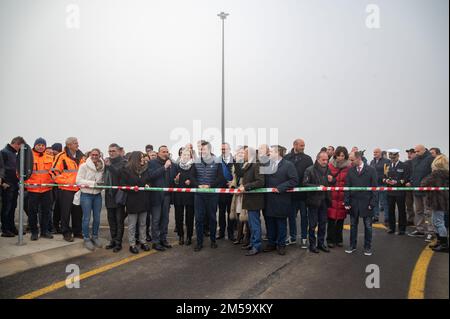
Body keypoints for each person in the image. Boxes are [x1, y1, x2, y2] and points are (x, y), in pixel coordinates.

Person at [263, 145, 298, 256]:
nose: (270, 153)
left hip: (281, 199)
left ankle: (281, 245)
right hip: (269, 200)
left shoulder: (288, 165)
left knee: (281, 223)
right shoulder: (267, 164)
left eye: (272, 151)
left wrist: (281, 188)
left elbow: (294, 180)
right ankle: (271, 243)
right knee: (270, 222)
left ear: (278, 153)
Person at [50, 137, 85, 242]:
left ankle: (77, 231)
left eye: (77, 143)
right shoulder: (61, 156)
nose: (77, 145)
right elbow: (54, 172)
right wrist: (67, 182)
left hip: (78, 189)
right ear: (69, 145)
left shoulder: (81, 156)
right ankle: (66, 233)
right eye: (75, 143)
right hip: (66, 189)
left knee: (78, 212)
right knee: (65, 212)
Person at [192, 141, 225, 252]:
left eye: (204, 149)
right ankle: (199, 242)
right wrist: (198, 185)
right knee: (199, 219)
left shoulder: (217, 161)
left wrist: (210, 185)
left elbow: (220, 177)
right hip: (199, 195)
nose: (202, 151)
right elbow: (191, 176)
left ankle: (213, 241)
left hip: (212, 195)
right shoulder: (195, 161)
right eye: (200, 149)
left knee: (212, 218)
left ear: (209, 150)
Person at [344, 151, 378, 256]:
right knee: (353, 225)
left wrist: (372, 203)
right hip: (354, 203)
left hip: (367, 203)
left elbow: (374, 188)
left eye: (352, 160)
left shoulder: (371, 170)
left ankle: (367, 247)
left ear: (359, 158)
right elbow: (347, 187)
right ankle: (352, 246)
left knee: (368, 226)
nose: (351, 162)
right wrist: (347, 202)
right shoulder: (350, 171)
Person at [234, 146, 265, 256]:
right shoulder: (248, 165)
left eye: (246, 153)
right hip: (249, 199)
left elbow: (260, 182)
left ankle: (256, 246)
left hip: (254, 200)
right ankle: (252, 243)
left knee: (255, 224)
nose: (244, 155)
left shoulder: (256, 165)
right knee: (251, 224)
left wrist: (246, 187)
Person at [284, 138, 313, 248]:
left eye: (304, 145)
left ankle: (304, 238)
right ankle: (292, 237)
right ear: (295, 145)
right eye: (301, 145)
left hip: (304, 194)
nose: (303, 147)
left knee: (304, 217)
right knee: (291, 216)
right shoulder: (286, 158)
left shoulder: (308, 159)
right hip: (291, 194)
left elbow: (311, 174)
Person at [120, 151, 151, 254]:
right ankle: (132, 244)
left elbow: (149, 180)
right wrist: (132, 189)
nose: (143, 159)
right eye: (141, 157)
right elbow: (123, 185)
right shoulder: (126, 170)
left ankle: (143, 242)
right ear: (135, 158)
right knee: (132, 224)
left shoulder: (145, 169)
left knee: (143, 223)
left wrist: (147, 184)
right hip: (132, 200)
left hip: (144, 199)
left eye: (143, 157)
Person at [303, 151, 334, 253]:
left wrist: (331, 180)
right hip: (313, 201)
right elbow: (304, 184)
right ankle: (312, 245)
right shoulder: (309, 170)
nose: (326, 162)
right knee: (312, 225)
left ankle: (321, 243)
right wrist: (316, 187)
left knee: (323, 223)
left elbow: (332, 183)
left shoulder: (328, 169)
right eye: (323, 160)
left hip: (325, 200)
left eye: (327, 160)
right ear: (317, 159)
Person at [24, 138, 55, 241]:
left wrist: (55, 179)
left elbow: (54, 171)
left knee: (46, 212)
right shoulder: (29, 157)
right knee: (32, 212)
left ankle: (44, 231)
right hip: (33, 190)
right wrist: (25, 183)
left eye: (43, 145)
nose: (41, 146)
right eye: (39, 145)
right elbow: (20, 171)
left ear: (45, 146)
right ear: (35, 145)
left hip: (47, 189)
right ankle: (34, 232)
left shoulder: (50, 157)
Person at [148, 145, 177, 251]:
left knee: (165, 219)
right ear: (158, 153)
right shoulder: (152, 163)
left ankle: (163, 239)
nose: (165, 153)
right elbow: (151, 176)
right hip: (156, 196)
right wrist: (164, 168)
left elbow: (174, 179)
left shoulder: (172, 164)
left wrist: (176, 180)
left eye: (167, 151)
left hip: (167, 196)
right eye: (163, 151)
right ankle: (155, 242)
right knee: (156, 220)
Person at [76, 148, 105, 251]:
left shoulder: (102, 167)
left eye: (96, 155)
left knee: (97, 218)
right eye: (92, 154)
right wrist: (93, 184)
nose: (94, 156)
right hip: (86, 195)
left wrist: (102, 185)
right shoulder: (84, 166)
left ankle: (95, 236)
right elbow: (78, 181)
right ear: (89, 155)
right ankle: (86, 238)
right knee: (86, 218)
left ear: (99, 155)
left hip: (97, 195)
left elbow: (103, 179)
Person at [421, 155, 449, 253]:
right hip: (444, 201)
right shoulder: (446, 174)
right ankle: (440, 241)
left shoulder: (435, 174)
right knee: (436, 221)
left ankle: (444, 244)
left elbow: (423, 183)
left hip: (437, 201)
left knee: (438, 222)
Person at [104, 143, 127, 253]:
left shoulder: (124, 162)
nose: (111, 153)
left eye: (113, 151)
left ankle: (118, 242)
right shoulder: (107, 162)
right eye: (110, 151)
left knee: (119, 220)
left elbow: (120, 174)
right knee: (111, 220)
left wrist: (109, 166)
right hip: (109, 195)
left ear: (118, 151)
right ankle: (113, 240)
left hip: (119, 195)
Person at [326, 146, 351, 248]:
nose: (340, 157)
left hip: (342, 197)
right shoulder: (329, 166)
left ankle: (339, 240)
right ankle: (330, 240)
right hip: (332, 196)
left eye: (343, 156)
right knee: (331, 219)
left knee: (341, 219)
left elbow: (349, 182)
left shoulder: (349, 168)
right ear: (335, 155)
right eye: (339, 155)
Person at [408, 145, 434, 241]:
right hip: (416, 189)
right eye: (415, 151)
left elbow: (433, 174)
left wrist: (425, 182)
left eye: (418, 151)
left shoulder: (431, 159)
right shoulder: (415, 159)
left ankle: (431, 232)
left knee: (428, 212)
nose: (416, 153)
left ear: (424, 150)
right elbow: (413, 173)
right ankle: (420, 229)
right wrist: (411, 181)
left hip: (426, 190)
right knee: (418, 211)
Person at [1, 136, 26, 237]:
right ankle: (5, 230)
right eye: (20, 146)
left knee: (12, 207)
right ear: (16, 144)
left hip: (14, 185)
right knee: (7, 208)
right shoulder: (4, 152)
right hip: (7, 185)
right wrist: (3, 182)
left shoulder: (13, 153)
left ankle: (11, 227)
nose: (20, 149)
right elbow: (1, 168)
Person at [383, 149, 410, 235]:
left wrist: (397, 182)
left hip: (400, 191)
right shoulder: (387, 165)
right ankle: (392, 228)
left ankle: (402, 229)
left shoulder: (404, 165)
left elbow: (406, 178)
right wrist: (386, 180)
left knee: (401, 210)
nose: (392, 159)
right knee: (390, 210)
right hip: (390, 191)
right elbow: (384, 176)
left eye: (394, 157)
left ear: (398, 156)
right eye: (391, 157)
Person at [173, 147, 197, 246]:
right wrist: (176, 180)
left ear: (191, 156)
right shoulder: (176, 166)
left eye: (188, 155)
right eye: (184, 154)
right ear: (180, 155)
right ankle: (181, 236)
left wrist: (191, 182)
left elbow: (196, 179)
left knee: (189, 217)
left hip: (190, 195)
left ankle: (189, 236)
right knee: (179, 217)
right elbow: (173, 181)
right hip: (178, 195)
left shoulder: (194, 166)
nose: (186, 156)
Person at [218, 142, 235, 240]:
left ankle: (231, 232)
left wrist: (233, 182)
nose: (224, 151)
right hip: (220, 190)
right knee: (221, 213)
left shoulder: (235, 160)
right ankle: (221, 232)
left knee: (230, 212)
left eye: (225, 149)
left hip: (231, 190)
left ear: (229, 149)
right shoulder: (217, 160)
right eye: (222, 149)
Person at [370, 148, 391, 223]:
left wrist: (386, 179)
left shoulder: (386, 161)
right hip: (375, 184)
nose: (375, 153)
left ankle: (387, 218)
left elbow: (388, 172)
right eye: (374, 152)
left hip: (383, 184)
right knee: (375, 201)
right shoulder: (372, 162)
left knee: (384, 202)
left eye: (376, 152)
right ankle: (375, 217)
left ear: (380, 153)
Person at [404, 148, 416, 225]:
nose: (409, 155)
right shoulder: (406, 163)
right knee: (409, 204)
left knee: (419, 207)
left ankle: (418, 222)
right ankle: (410, 219)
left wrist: (412, 182)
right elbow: (405, 174)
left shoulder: (418, 162)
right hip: (407, 186)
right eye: (408, 153)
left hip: (416, 186)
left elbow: (417, 174)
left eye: (411, 153)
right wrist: (406, 182)